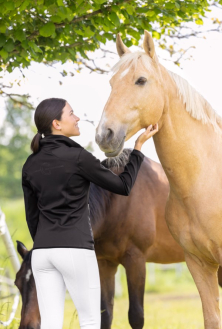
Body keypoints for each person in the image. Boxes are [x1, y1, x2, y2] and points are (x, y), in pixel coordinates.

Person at [21, 97, 159, 329]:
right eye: (71, 113)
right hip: (74, 249)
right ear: (56, 124)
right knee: (91, 320)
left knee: (51, 323)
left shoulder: (30, 163)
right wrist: (137, 149)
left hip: (43, 253)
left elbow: (32, 216)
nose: (77, 118)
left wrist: (44, 243)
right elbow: (123, 186)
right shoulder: (78, 157)